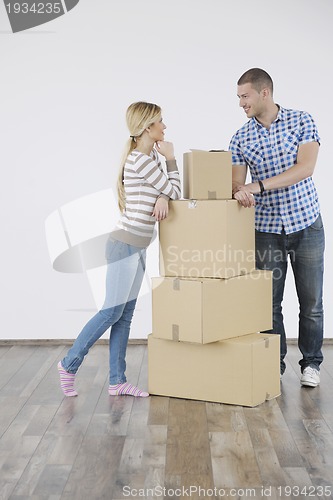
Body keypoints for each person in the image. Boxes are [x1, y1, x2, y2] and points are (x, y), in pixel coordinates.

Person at [58, 101, 181, 397]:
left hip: (137, 247)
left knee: (125, 316)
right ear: (148, 127)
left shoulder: (149, 157)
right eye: (161, 122)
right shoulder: (141, 160)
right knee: (110, 312)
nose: (165, 127)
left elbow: (169, 194)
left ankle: (117, 381)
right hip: (125, 245)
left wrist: (163, 196)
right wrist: (172, 161)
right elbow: (176, 191)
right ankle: (68, 364)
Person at [229, 68, 324, 387]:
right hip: (266, 230)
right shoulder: (241, 137)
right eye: (239, 97)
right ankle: (275, 363)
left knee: (311, 302)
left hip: (307, 224)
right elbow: (235, 185)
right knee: (269, 303)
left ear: (264, 93)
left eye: (245, 96)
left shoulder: (302, 121)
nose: (240, 103)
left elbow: (305, 168)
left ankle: (311, 363)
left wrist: (257, 187)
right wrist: (238, 191)